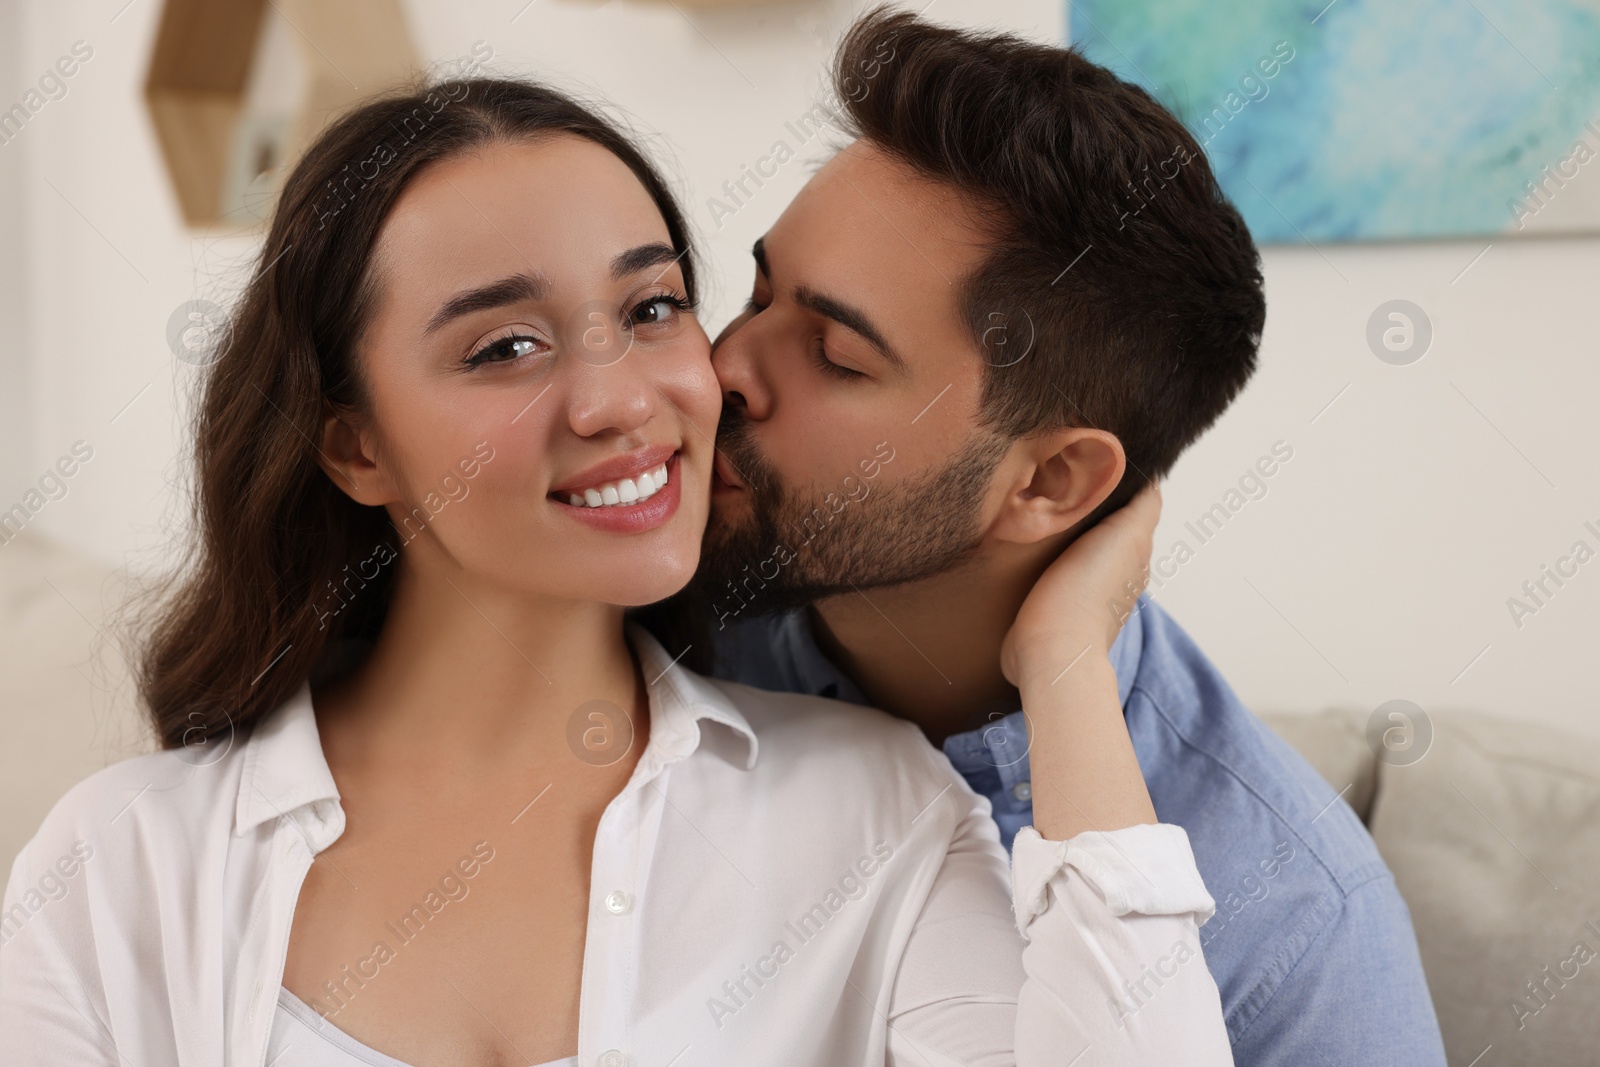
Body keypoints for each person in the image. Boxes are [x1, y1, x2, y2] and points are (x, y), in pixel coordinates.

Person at [0, 77, 1233, 1065]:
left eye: (651, 308)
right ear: (354, 441)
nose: (623, 398)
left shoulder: (877, 814)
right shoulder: (122, 865)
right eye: (507, 344)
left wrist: (1065, 663)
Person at [684, 10, 1448, 1066]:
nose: (720, 366)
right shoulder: (651, 621)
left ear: (1047, 481)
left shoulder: (1295, 922)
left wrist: (1059, 663)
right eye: (758, 289)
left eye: (833, 353)